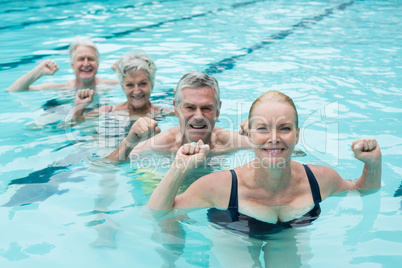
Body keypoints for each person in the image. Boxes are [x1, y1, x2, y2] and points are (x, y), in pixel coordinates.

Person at [147, 90, 382, 236]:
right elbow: (158, 212)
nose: (273, 138)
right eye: (262, 129)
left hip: (290, 235)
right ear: (248, 135)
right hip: (234, 235)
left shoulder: (319, 179)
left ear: (297, 135)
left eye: (285, 128)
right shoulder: (220, 186)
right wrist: (179, 169)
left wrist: (372, 164)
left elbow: (362, 190)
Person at [106, 71, 250, 162]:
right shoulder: (160, 145)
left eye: (206, 108)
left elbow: (269, 148)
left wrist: (265, 130)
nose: (199, 116)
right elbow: (104, 166)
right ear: (176, 107)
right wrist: (129, 141)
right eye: (190, 107)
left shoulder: (231, 142)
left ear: (218, 110)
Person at [71, 51, 174, 125]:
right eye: (130, 85)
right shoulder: (108, 111)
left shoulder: (164, 112)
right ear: (122, 86)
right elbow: (69, 126)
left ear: (152, 84)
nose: (137, 91)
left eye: (142, 84)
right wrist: (78, 108)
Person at [6, 37, 118, 91]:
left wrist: (123, 75)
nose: (86, 63)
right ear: (72, 65)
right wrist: (38, 72)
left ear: (98, 63)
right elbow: (13, 91)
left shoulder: (111, 85)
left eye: (91, 59)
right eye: (80, 59)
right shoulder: (61, 88)